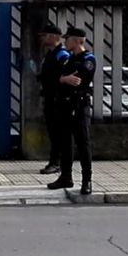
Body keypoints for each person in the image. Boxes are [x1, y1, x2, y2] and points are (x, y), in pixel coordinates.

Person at [47, 26, 96, 195]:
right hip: (65, 106)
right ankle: (66, 177)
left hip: (80, 106)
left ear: (77, 41)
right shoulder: (68, 59)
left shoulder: (88, 59)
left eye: (67, 39)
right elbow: (54, 78)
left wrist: (64, 79)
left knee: (83, 143)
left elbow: (79, 79)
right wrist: (63, 78)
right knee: (65, 143)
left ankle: (87, 180)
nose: (64, 41)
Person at [37, 23, 70, 175]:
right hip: (50, 97)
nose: (42, 38)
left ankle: (57, 163)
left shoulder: (62, 55)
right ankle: (55, 161)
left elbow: (62, 78)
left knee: (58, 132)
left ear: (53, 37)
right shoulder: (50, 54)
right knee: (53, 132)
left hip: (58, 100)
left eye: (44, 35)